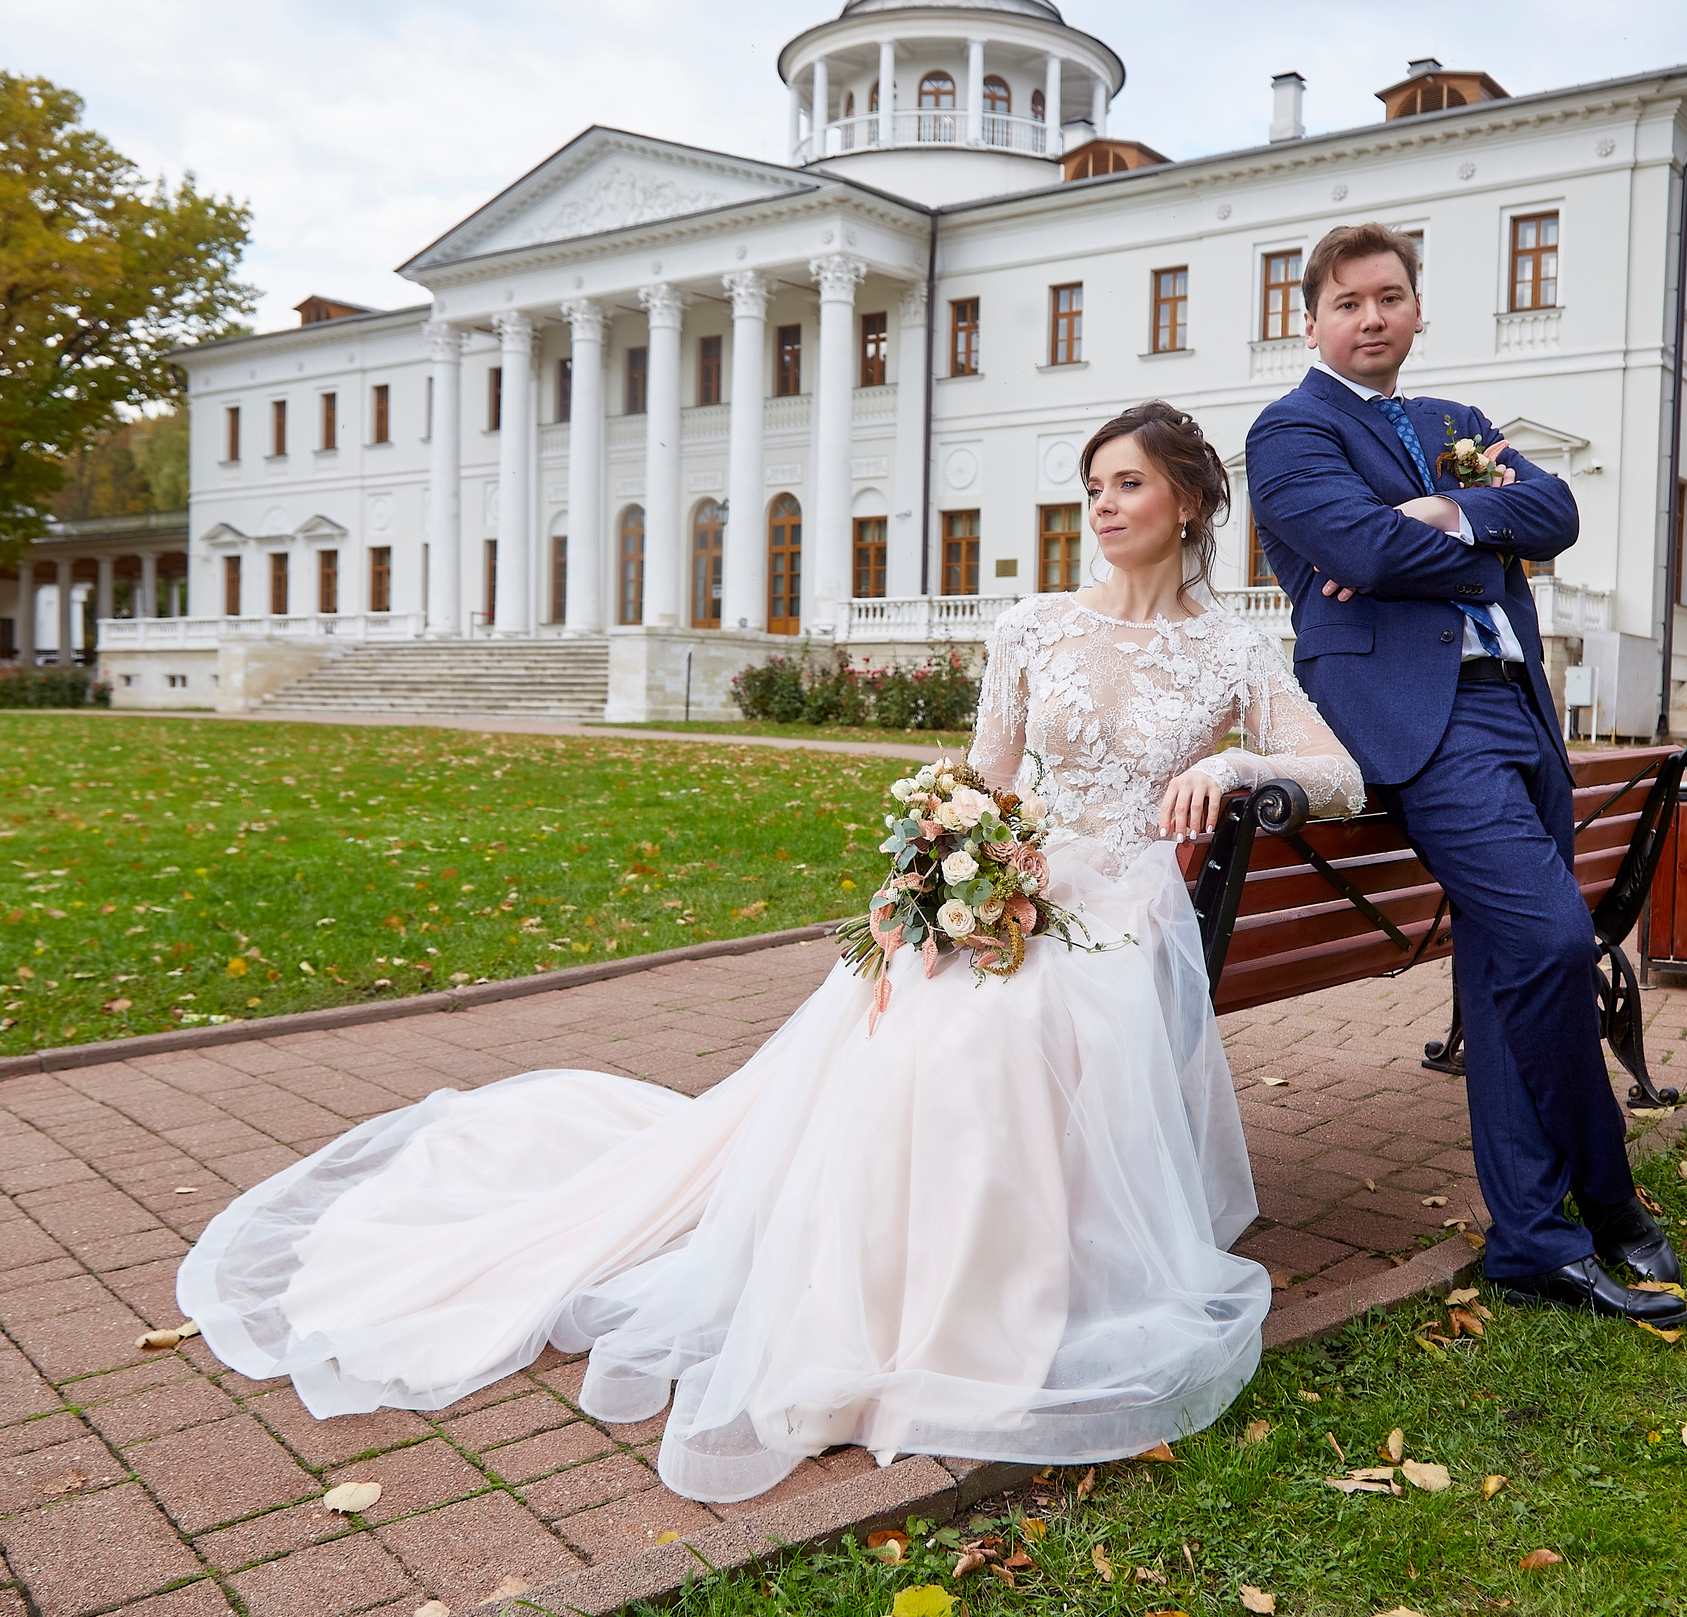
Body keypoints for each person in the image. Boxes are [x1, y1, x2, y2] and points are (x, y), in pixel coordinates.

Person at [176, 400, 1365, 1504]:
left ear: (1189, 503)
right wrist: (941, 884)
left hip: (1120, 922)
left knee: (1000, 1030)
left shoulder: (1232, 651)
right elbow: (985, 782)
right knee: (938, 1019)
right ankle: (893, 1281)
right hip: (1012, 892)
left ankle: (990, 1297)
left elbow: (1339, 774)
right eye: (1093, 485)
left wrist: (1235, 761)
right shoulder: (1032, 626)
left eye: (1128, 485)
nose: (1102, 505)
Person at [1244, 222, 1687, 1329]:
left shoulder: (1458, 425)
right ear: (1311, 320)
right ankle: (1605, 1192)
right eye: (1348, 302)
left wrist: (1447, 509)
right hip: (1426, 719)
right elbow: (1362, 550)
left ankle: (1531, 1240)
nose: (1372, 317)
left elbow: (1558, 514)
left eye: (1390, 296)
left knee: (1509, 969)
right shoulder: (1290, 430)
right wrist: (1485, 550)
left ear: (1417, 308)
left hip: (1521, 704)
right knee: (1552, 943)